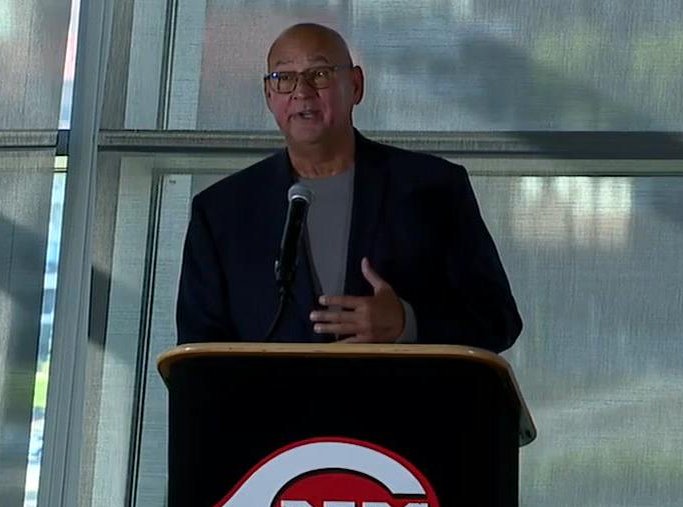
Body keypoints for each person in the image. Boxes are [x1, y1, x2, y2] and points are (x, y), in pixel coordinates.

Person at [176, 23, 522, 353]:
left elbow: (498, 320)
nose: (301, 91)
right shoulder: (221, 212)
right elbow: (198, 356)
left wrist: (407, 323)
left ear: (355, 85)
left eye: (320, 74)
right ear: (268, 95)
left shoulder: (434, 188)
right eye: (284, 78)